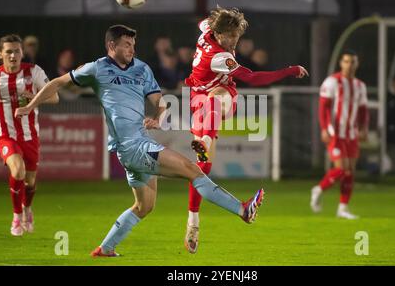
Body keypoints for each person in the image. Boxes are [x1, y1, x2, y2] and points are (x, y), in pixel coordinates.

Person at [15, 24, 264, 257]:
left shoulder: (141, 68)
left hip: (137, 145)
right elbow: (58, 83)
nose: (131, 49)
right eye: (126, 44)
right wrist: (31, 106)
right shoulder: (97, 68)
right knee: (193, 170)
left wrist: (158, 115)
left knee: (144, 206)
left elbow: (160, 100)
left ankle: (106, 248)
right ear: (111, 46)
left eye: (133, 44)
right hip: (133, 147)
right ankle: (243, 211)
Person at [184, 7, 308, 253]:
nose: (233, 41)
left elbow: (203, 22)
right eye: (229, 36)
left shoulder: (207, 29)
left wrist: (222, 17)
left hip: (215, 96)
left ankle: (205, 143)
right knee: (202, 170)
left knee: (217, 98)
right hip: (200, 99)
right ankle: (194, 222)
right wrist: (289, 71)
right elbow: (253, 78)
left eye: (236, 35)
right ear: (218, 33)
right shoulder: (220, 57)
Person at [0, 34, 58, 236]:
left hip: (30, 136)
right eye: (8, 51)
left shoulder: (33, 72)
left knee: (30, 182)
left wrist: (34, 97)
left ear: (22, 53)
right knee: (17, 170)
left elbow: (54, 97)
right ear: (0, 54)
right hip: (6, 136)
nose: (13, 55)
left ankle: (28, 209)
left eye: (16, 51)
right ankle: (17, 215)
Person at [310, 50, 369, 219]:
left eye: (353, 62)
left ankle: (342, 208)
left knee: (350, 171)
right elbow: (323, 107)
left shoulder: (360, 86)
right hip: (335, 131)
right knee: (342, 169)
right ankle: (318, 189)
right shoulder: (332, 82)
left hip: (351, 133)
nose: (349, 65)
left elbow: (364, 110)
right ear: (341, 63)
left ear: (357, 64)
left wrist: (364, 128)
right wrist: (324, 128)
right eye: (346, 61)